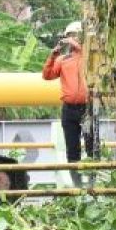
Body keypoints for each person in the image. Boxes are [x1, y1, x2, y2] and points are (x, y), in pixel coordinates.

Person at [42, 20, 88, 186]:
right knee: (72, 149)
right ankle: (78, 186)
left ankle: (93, 184)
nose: (71, 40)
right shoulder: (63, 60)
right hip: (69, 109)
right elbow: (47, 75)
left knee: (92, 147)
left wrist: (74, 44)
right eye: (69, 36)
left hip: (88, 109)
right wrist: (53, 54)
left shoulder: (89, 57)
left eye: (75, 36)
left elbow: (84, 53)